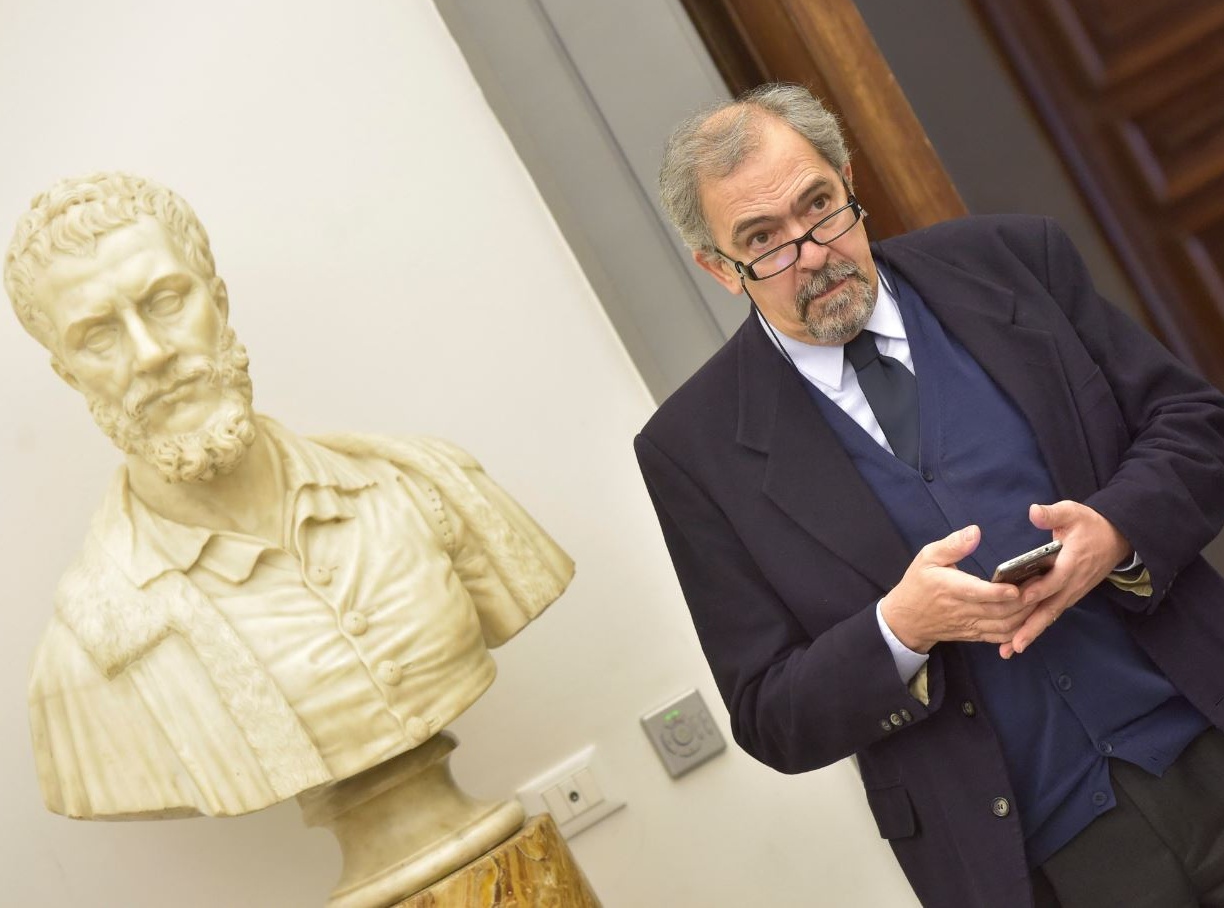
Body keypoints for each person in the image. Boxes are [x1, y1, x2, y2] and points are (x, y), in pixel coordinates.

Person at [635, 83, 1224, 908]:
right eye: (763, 241)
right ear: (717, 269)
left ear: (849, 180)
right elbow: (770, 715)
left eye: (819, 206)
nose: (812, 254)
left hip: (1204, 721)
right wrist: (897, 632)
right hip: (1037, 867)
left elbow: (1197, 425)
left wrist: (1116, 531)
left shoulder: (1014, 259)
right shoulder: (691, 450)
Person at [5, 172, 574, 819]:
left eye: (165, 300)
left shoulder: (431, 486)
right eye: (98, 335)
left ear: (218, 301)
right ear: (69, 373)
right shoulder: (84, 655)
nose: (151, 353)